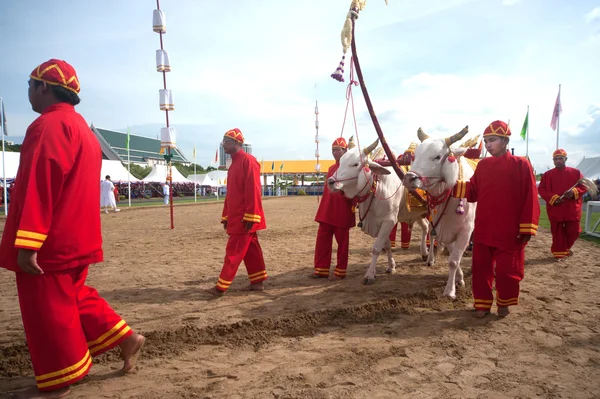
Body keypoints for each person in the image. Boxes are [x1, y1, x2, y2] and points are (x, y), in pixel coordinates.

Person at [0, 59, 144, 398]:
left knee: (46, 311)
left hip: (52, 240)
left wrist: (29, 241)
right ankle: (126, 338)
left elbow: (40, 183)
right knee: (73, 297)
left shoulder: (48, 126)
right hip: (79, 236)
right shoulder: (83, 130)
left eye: (30, 86)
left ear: (43, 87)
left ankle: (59, 381)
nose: (29, 94)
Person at [452, 120, 540, 318]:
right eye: (486, 141)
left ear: (505, 140)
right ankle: (482, 305)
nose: (488, 145)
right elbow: (473, 190)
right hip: (484, 227)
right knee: (480, 268)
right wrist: (449, 186)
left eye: (492, 140)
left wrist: (528, 227)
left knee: (507, 271)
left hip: (510, 230)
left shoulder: (521, 164)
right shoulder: (483, 165)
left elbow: (530, 196)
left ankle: (504, 302)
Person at [209, 128, 267, 295]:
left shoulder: (248, 161)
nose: (223, 144)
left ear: (237, 143)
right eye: (223, 141)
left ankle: (221, 286)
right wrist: (226, 215)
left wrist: (252, 216)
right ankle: (258, 283)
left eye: (227, 141)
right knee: (252, 250)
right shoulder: (233, 164)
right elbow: (231, 194)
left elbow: (253, 190)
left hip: (245, 218)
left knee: (233, 252)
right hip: (237, 216)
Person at [313, 137, 356, 279]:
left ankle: (340, 271)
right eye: (332, 150)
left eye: (337, 150)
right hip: (326, 210)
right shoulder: (331, 168)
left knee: (342, 244)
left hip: (342, 210)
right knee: (322, 241)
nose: (334, 153)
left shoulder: (352, 168)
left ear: (345, 151)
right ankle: (321, 269)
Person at [538, 149, 587, 261]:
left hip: (571, 208)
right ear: (553, 160)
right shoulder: (547, 175)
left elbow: (584, 187)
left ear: (566, 159)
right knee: (557, 232)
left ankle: (565, 248)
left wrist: (574, 192)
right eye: (555, 159)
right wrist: (553, 198)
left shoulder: (576, 173)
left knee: (574, 232)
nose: (558, 161)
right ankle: (559, 254)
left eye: (560, 158)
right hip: (555, 207)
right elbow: (542, 189)